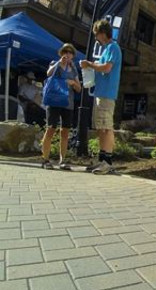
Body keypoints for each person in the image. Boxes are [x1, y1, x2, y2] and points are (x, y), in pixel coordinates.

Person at [80, 19, 122, 174]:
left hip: (107, 94)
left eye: (97, 35)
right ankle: (102, 159)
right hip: (100, 93)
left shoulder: (113, 47)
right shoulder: (106, 49)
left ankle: (108, 162)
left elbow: (107, 68)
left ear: (103, 34)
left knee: (106, 128)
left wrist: (90, 64)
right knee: (101, 128)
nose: (96, 38)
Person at [41, 44, 82, 169]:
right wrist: (59, 62)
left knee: (65, 132)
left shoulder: (73, 69)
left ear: (73, 55)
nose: (68, 54)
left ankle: (62, 160)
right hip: (54, 101)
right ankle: (45, 160)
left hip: (67, 103)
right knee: (51, 129)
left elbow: (79, 89)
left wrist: (72, 82)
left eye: (70, 52)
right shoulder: (56, 63)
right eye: (65, 51)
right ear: (61, 53)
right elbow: (48, 74)